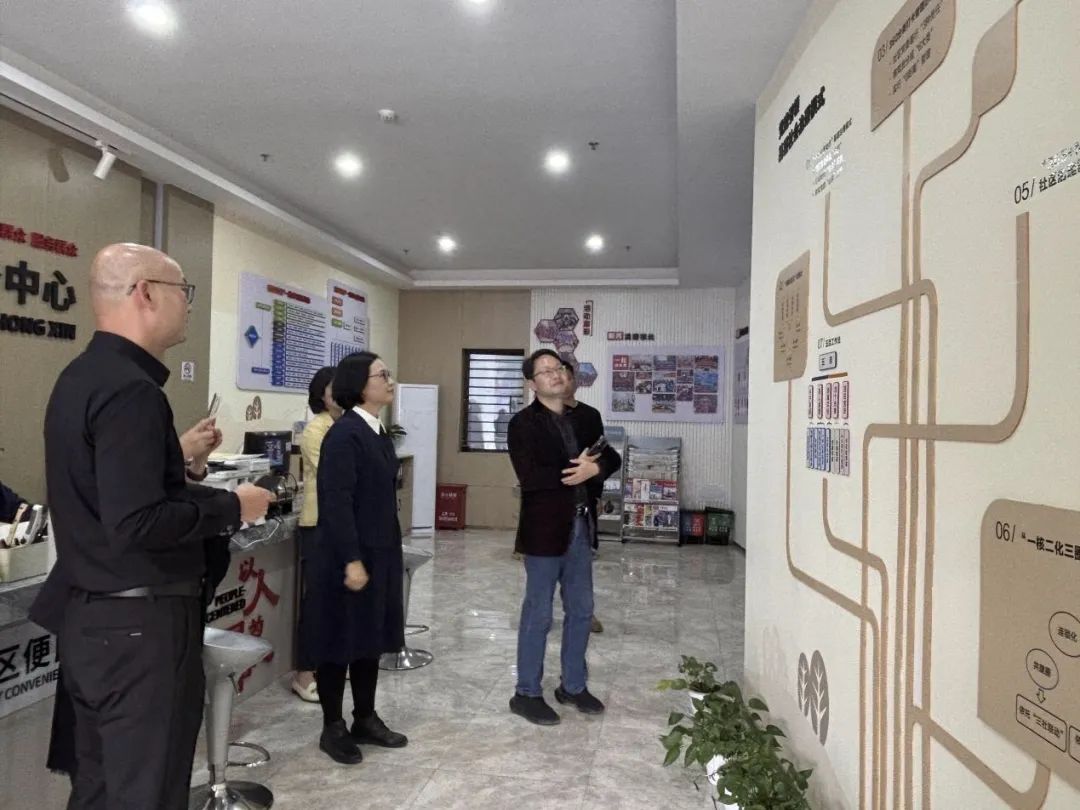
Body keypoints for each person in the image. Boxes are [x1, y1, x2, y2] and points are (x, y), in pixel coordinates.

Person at [30, 243, 272, 810]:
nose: (188, 305)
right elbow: (138, 521)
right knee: (147, 792)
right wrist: (232, 507)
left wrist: (192, 476)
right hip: (141, 630)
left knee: (100, 789)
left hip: (97, 623)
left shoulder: (81, 378)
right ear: (145, 293)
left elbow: (120, 495)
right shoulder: (132, 391)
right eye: (183, 291)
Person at [507, 349, 621, 725]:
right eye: (545, 371)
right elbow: (530, 477)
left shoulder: (586, 417)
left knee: (582, 610)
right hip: (543, 530)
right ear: (532, 383)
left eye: (558, 368)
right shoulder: (523, 424)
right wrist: (578, 471)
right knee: (538, 613)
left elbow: (612, 457)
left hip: (581, 527)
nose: (555, 374)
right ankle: (526, 692)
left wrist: (596, 469)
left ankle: (573, 685)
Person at [310, 351, 407, 764]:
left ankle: (365, 717)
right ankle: (332, 726)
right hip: (346, 556)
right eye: (382, 374)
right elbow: (336, 502)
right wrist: (351, 559)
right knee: (339, 639)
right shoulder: (344, 434)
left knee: (370, 637)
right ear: (359, 384)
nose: (389, 380)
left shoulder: (376, 431)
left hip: (379, 551)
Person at [292, 365, 343, 702]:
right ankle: (304, 673)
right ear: (321, 396)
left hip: (340, 524)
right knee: (317, 604)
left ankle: (328, 664)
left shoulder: (345, 426)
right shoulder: (316, 430)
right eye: (332, 388)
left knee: (337, 602)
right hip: (319, 525)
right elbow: (334, 475)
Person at [562, 364, 617, 635]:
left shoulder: (589, 415)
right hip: (549, 503)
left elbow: (605, 454)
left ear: (575, 381)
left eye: (567, 376)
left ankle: (584, 611)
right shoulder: (536, 419)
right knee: (546, 565)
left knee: (581, 561)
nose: (561, 381)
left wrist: (595, 472)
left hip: (583, 501)